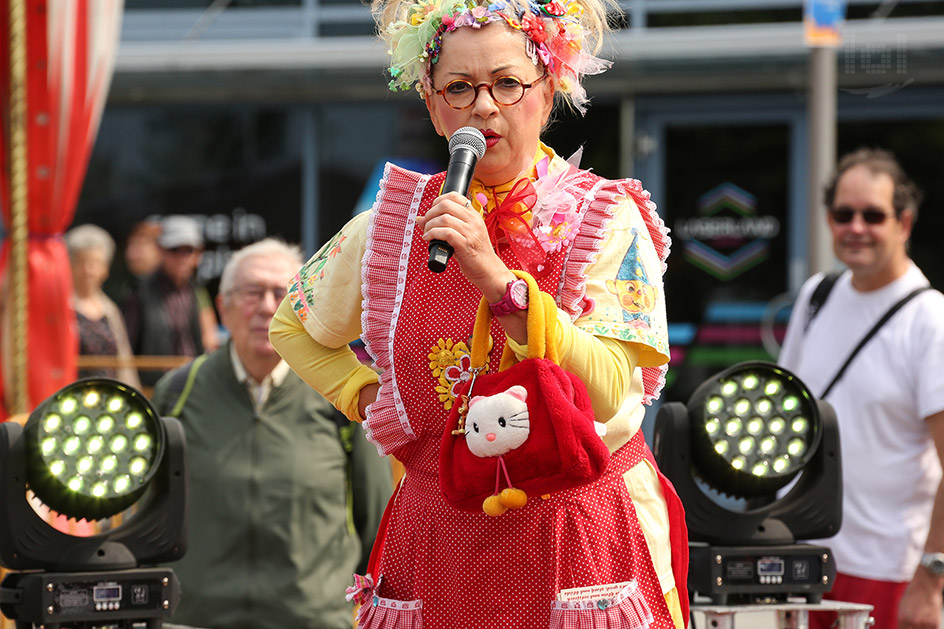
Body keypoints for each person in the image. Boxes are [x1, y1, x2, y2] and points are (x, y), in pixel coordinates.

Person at [269, 0, 688, 626]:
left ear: (548, 94)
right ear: (434, 108)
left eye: (507, 84)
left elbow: (607, 395)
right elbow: (293, 328)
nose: (484, 108)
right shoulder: (389, 228)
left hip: (576, 531)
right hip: (441, 534)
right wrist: (372, 401)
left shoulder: (606, 220)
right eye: (459, 88)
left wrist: (500, 284)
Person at [151, 238, 392, 629]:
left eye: (282, 295)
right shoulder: (178, 391)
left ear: (308, 307)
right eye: (251, 293)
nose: (266, 307)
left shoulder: (345, 392)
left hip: (310, 619)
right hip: (193, 618)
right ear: (222, 309)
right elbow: (149, 510)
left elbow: (375, 520)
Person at [778, 148, 944, 629]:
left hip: (889, 573)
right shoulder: (817, 296)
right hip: (802, 562)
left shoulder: (929, 319)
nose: (856, 228)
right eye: (843, 214)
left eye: (873, 215)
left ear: (904, 223)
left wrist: (931, 578)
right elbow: (788, 416)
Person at [123, 215, 220, 387]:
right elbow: (126, 348)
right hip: (153, 389)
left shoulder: (195, 290)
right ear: (161, 250)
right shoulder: (140, 291)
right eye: (175, 249)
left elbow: (209, 341)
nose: (182, 257)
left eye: (188, 250)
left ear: (199, 254)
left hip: (192, 384)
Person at [65, 224, 141, 388]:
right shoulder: (63, 308)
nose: (88, 270)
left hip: (110, 398)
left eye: (95, 263)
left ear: (105, 269)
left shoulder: (110, 310)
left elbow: (124, 361)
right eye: (81, 262)